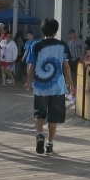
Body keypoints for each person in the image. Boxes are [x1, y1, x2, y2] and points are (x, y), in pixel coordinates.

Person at [25, 18, 74, 155]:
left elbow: (31, 66)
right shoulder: (62, 45)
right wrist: (71, 85)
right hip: (57, 86)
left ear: (42, 30)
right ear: (56, 30)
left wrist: (28, 81)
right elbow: (66, 66)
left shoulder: (35, 45)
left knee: (39, 113)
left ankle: (40, 134)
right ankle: (50, 144)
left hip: (40, 85)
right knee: (54, 117)